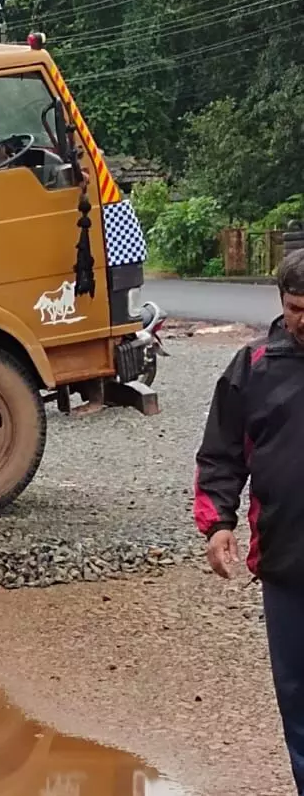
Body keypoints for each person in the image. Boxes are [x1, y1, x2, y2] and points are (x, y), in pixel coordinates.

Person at [197, 248, 304, 793]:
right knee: (298, 699)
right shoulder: (254, 367)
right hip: (286, 562)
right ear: (282, 303)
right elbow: (220, 455)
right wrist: (219, 523)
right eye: (297, 308)